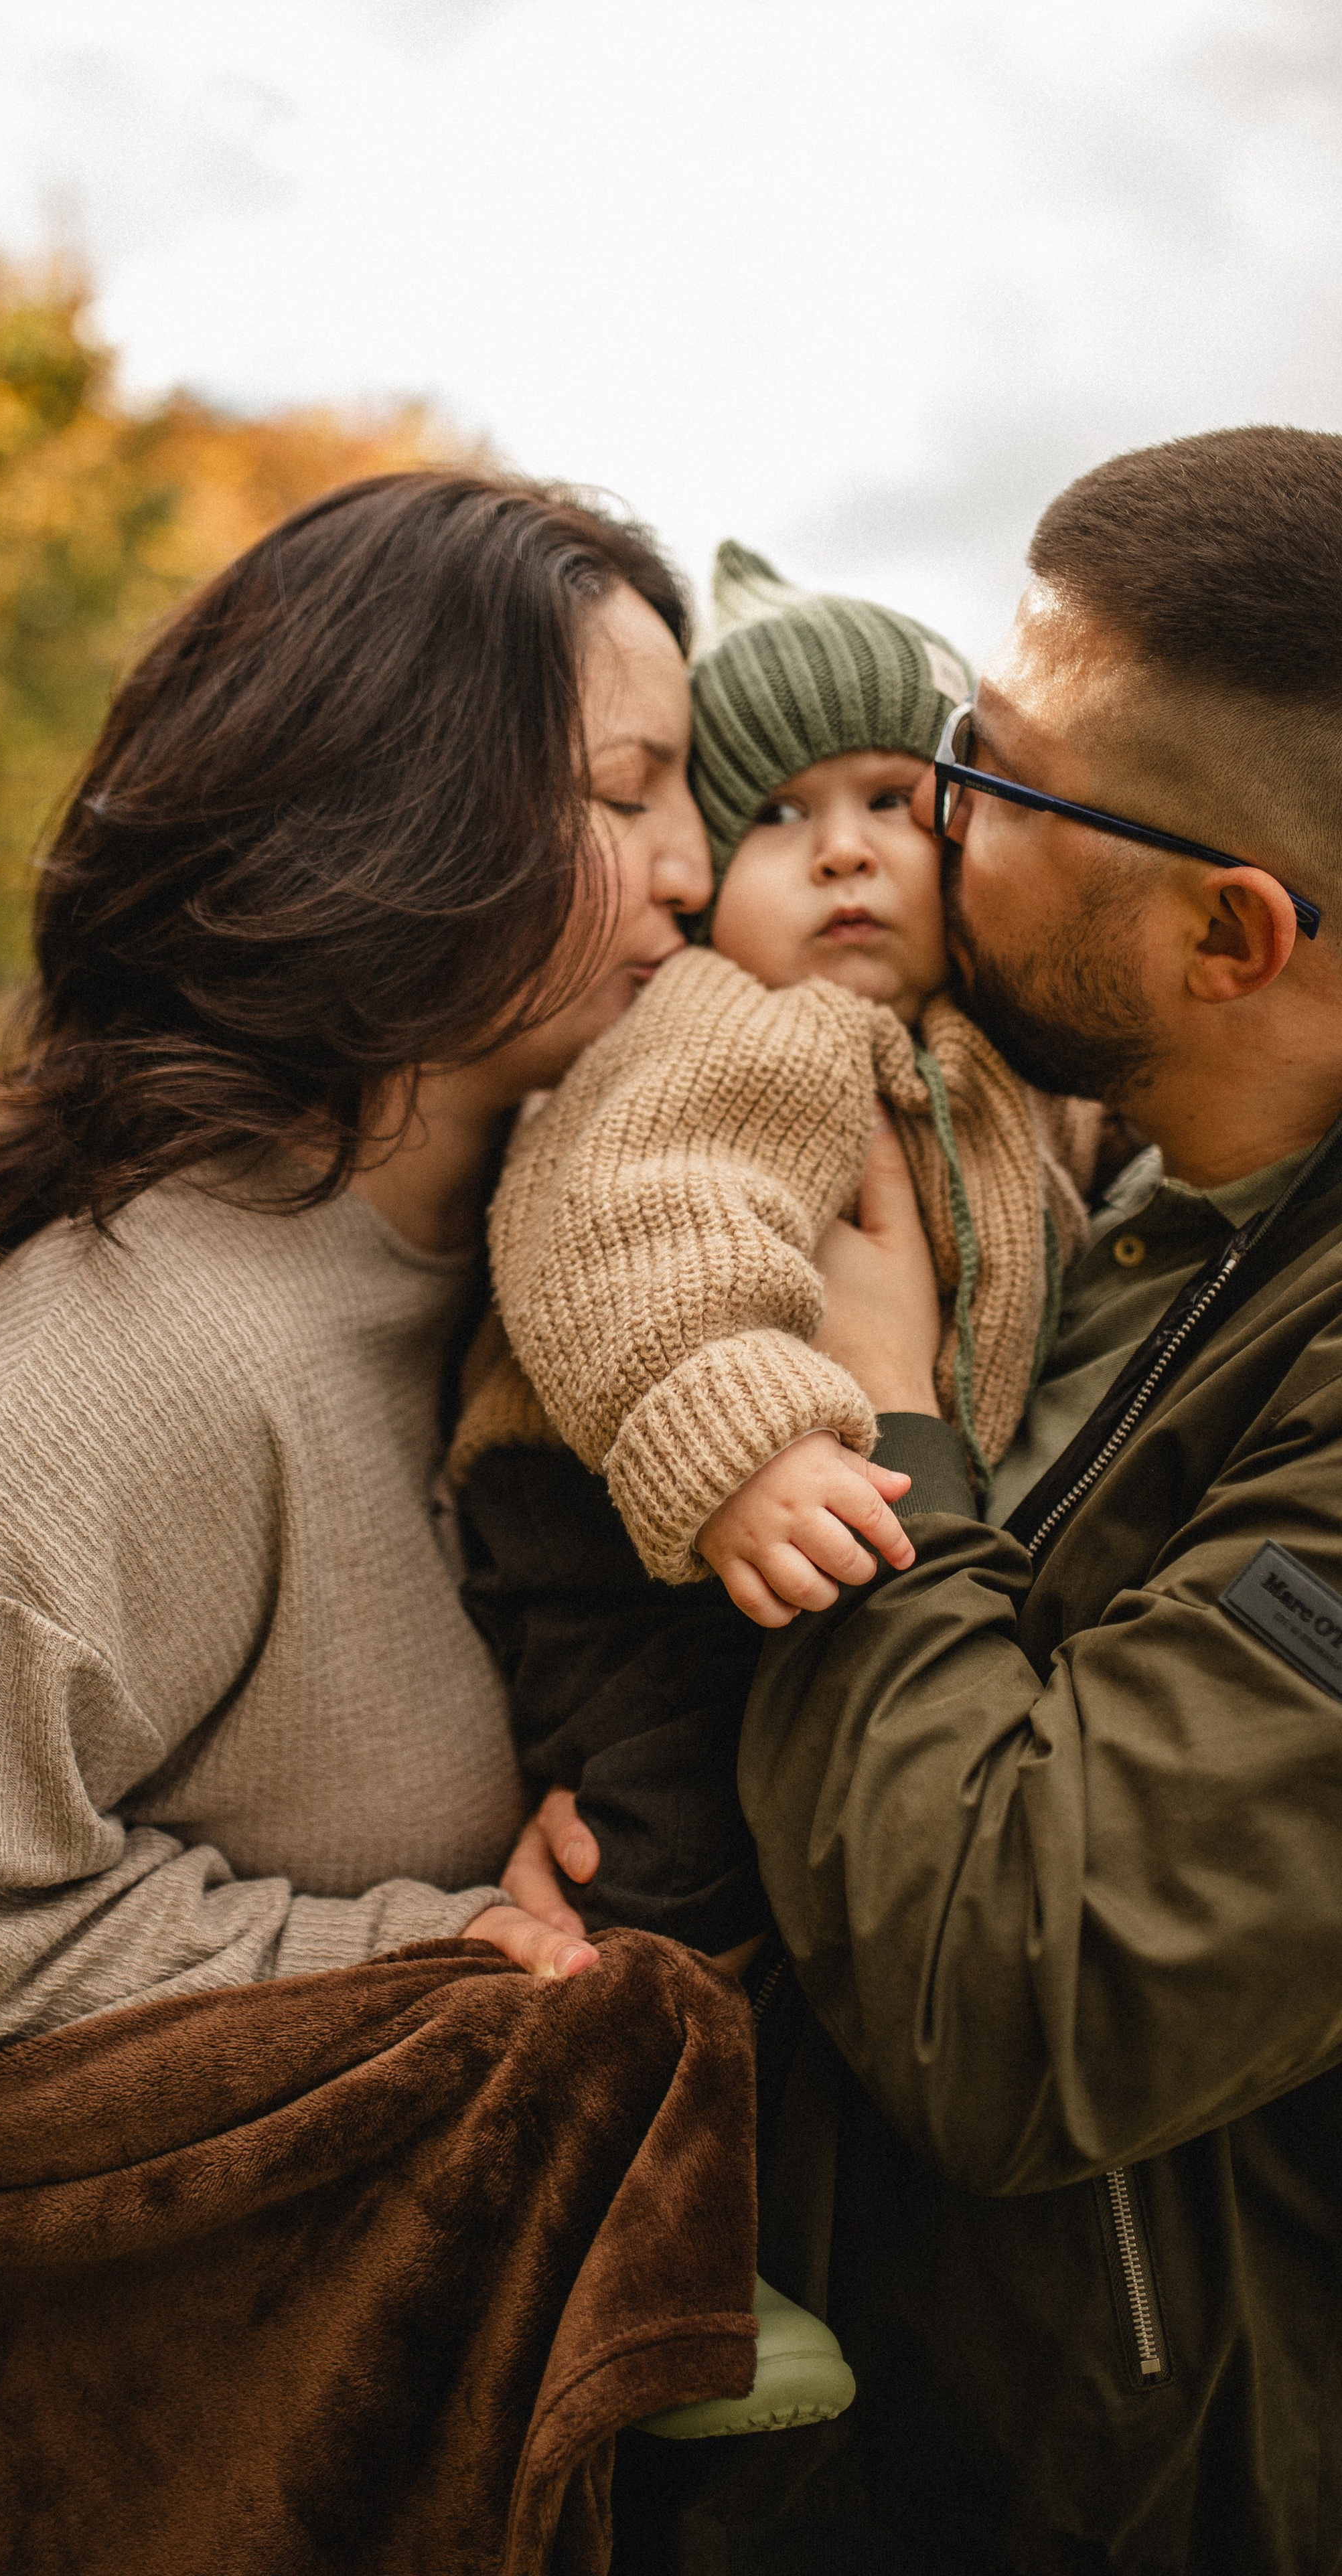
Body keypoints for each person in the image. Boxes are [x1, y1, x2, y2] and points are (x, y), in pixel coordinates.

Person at [513, 425, 1342, 2575]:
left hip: (1078, 2494)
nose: (931, 811)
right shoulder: (1113, 1149)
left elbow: (1023, 1983)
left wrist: (884, 1423)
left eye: (992, 770)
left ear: (1230, 936)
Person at [0, 468, 718, 2046]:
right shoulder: (136, 1347)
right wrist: (425, 1950)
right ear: (405, 804)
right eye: (622, 793)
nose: (693, 868)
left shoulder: (549, 1277)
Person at [454, 548, 1093, 1963]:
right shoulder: (730, 1020)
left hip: (815, 1522)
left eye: (889, 804)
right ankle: (593, 2046)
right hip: (623, 1512)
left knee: (825, 1816)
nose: (842, 851)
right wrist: (741, 1443)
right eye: (776, 815)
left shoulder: (990, 1058)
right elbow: (632, 1217)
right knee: (675, 1838)